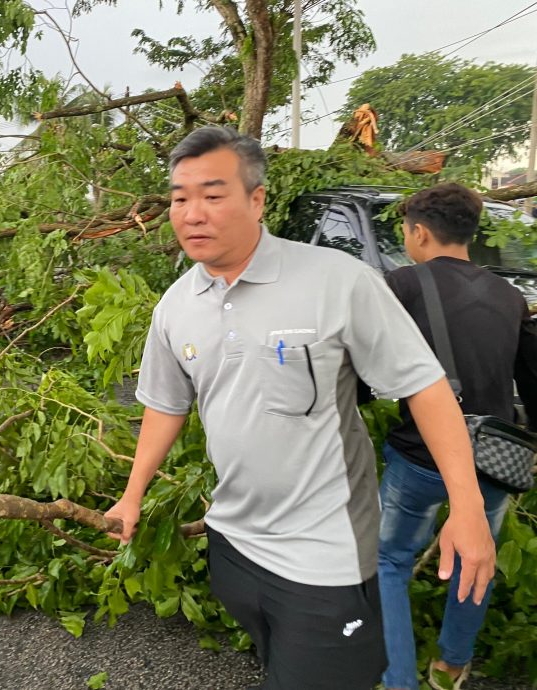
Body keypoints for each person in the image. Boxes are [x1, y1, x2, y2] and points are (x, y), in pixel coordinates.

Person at [103, 127, 496, 690]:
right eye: (179, 197)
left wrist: (468, 505)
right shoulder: (176, 306)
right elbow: (168, 405)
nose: (192, 213)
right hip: (233, 543)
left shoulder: (338, 282)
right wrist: (133, 492)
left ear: (256, 199)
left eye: (213, 196)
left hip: (326, 557)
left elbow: (424, 386)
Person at [377, 183, 537, 690]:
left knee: (389, 561)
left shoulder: (401, 285)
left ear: (419, 232)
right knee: (475, 558)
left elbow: (367, 366)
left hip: (419, 457)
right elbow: (531, 378)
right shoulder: (511, 297)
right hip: (492, 457)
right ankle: (451, 665)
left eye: (406, 230)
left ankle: (398, 678)